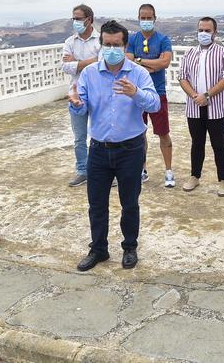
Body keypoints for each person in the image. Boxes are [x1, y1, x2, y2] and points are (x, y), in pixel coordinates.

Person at [69, 20, 161, 271]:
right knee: (96, 203)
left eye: (116, 45)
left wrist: (136, 93)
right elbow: (82, 106)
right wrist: (76, 103)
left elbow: (155, 105)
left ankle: (130, 247)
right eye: (107, 44)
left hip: (130, 149)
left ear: (124, 45)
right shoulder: (89, 74)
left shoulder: (138, 73)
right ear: (101, 45)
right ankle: (98, 249)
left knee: (129, 202)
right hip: (98, 149)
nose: (112, 49)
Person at [177, 17, 224, 196]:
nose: (203, 33)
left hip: (217, 108)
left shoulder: (223, 53)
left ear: (214, 33)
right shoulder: (189, 53)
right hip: (194, 107)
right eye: (201, 30)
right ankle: (194, 176)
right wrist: (195, 95)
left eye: (207, 31)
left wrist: (207, 95)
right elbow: (182, 77)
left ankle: (223, 180)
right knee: (197, 143)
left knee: (218, 144)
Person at [126, 4, 175, 187]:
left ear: (155, 18)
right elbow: (129, 61)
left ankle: (168, 171)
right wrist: (151, 65)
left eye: (149, 18)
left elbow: (165, 62)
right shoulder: (132, 39)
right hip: (137, 94)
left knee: (163, 133)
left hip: (158, 92)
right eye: (142, 17)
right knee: (139, 134)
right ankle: (142, 169)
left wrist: (140, 61)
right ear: (138, 18)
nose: (145, 21)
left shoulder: (163, 39)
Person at [61, 4, 101, 187]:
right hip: (76, 94)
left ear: (89, 19)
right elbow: (65, 67)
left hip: (99, 93)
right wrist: (91, 61)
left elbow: (104, 63)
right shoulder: (70, 42)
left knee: (100, 135)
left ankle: (101, 170)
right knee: (79, 136)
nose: (76, 22)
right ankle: (82, 170)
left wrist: (77, 62)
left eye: (79, 18)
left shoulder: (100, 40)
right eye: (74, 18)